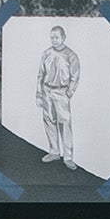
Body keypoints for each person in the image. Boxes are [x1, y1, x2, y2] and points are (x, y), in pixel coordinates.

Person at [37, 25, 81, 169]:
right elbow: (41, 75)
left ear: (63, 37)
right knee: (49, 121)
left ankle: (68, 158)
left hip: (61, 93)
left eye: (56, 37)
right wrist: (39, 94)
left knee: (65, 125)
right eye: (52, 37)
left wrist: (69, 92)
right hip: (47, 91)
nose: (54, 40)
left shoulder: (71, 55)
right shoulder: (46, 53)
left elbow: (75, 77)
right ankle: (54, 152)